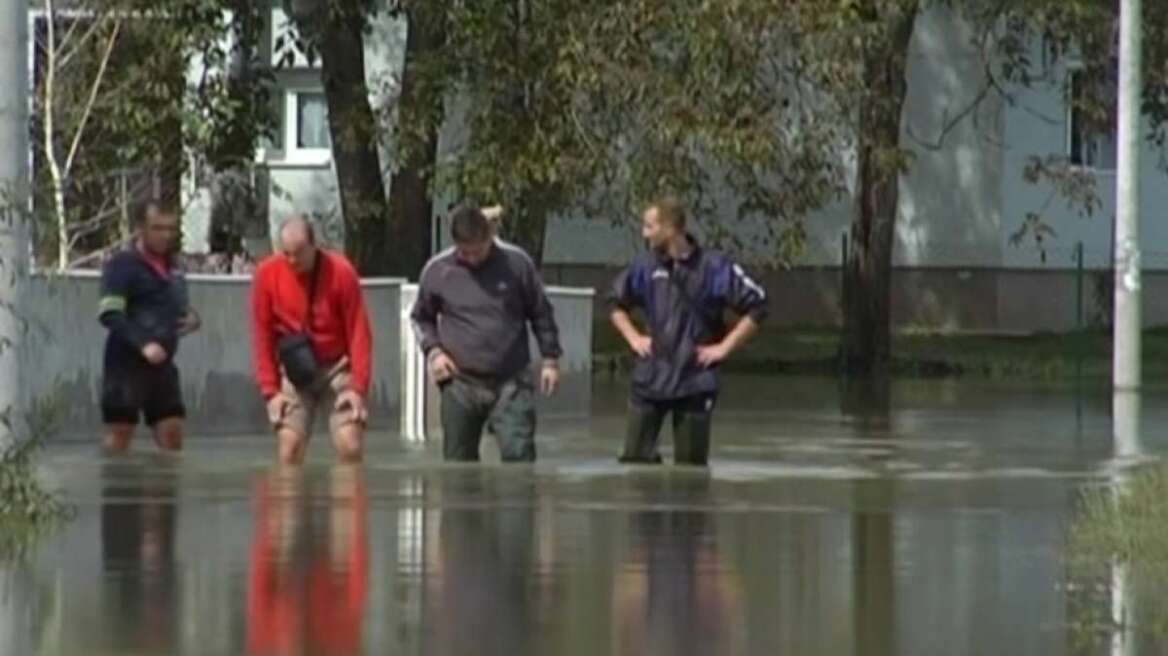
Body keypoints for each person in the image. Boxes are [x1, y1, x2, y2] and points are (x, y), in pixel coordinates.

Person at [609, 197, 768, 466]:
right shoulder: (645, 266)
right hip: (651, 378)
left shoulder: (715, 267)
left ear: (670, 227)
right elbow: (614, 303)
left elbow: (759, 306)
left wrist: (723, 348)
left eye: (649, 226)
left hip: (694, 379)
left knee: (690, 468)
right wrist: (633, 337)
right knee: (634, 458)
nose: (644, 233)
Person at [410, 205, 562, 462]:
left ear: (489, 236)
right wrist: (434, 352)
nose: (473, 258)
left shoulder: (517, 264)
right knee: (458, 467)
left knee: (519, 460)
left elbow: (541, 313)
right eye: (465, 252)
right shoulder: (438, 270)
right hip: (459, 382)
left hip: (511, 382)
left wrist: (550, 359)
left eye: (479, 250)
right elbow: (420, 318)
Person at [250, 215, 373, 464]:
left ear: (314, 246)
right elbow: (262, 335)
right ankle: (291, 502)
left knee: (350, 445)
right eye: (287, 253)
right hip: (295, 370)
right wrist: (271, 392)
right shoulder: (267, 274)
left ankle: (348, 500)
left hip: (337, 366)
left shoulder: (341, 272)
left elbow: (359, 332)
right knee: (289, 449)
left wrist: (358, 388)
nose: (293, 261)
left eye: (299, 253)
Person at [98, 199, 200, 453]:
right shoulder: (123, 266)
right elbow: (110, 313)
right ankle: (114, 487)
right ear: (140, 229)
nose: (165, 235)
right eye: (157, 228)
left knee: (173, 433)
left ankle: (165, 491)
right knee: (120, 437)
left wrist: (192, 320)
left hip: (163, 367)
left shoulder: (173, 268)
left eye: (170, 229)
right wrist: (144, 344)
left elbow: (178, 308)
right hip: (125, 366)